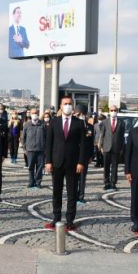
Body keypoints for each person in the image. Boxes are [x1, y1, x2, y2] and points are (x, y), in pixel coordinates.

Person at [44, 96, 88, 230]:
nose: (68, 106)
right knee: (56, 192)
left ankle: (70, 219)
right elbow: (49, 143)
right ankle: (56, 217)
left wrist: (81, 162)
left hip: (73, 163)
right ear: (61, 106)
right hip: (56, 162)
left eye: (70, 104)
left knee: (72, 193)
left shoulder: (79, 123)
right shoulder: (54, 122)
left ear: (72, 106)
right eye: (65, 104)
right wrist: (48, 161)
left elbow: (83, 145)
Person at [98, 105, 125, 192]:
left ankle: (113, 183)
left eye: (115, 110)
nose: (113, 111)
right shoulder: (105, 122)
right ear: (109, 111)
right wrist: (101, 146)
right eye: (112, 110)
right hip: (106, 147)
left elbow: (122, 137)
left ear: (117, 111)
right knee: (106, 166)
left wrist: (121, 148)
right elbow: (102, 134)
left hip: (116, 148)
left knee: (115, 167)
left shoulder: (121, 123)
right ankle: (106, 183)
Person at [21, 107, 45, 189]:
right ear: (30, 114)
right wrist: (24, 149)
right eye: (33, 113)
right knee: (31, 167)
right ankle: (31, 182)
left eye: (36, 113)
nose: (35, 115)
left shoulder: (43, 124)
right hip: (30, 150)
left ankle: (38, 182)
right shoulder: (27, 124)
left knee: (40, 167)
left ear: (38, 114)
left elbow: (47, 136)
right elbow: (23, 138)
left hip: (41, 150)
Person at [75, 104, 94, 203]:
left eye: (83, 114)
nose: (81, 116)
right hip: (74, 155)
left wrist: (91, 155)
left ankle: (81, 196)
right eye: (79, 114)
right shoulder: (73, 125)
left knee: (82, 177)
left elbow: (91, 141)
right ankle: (73, 196)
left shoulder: (90, 127)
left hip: (85, 156)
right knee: (74, 177)